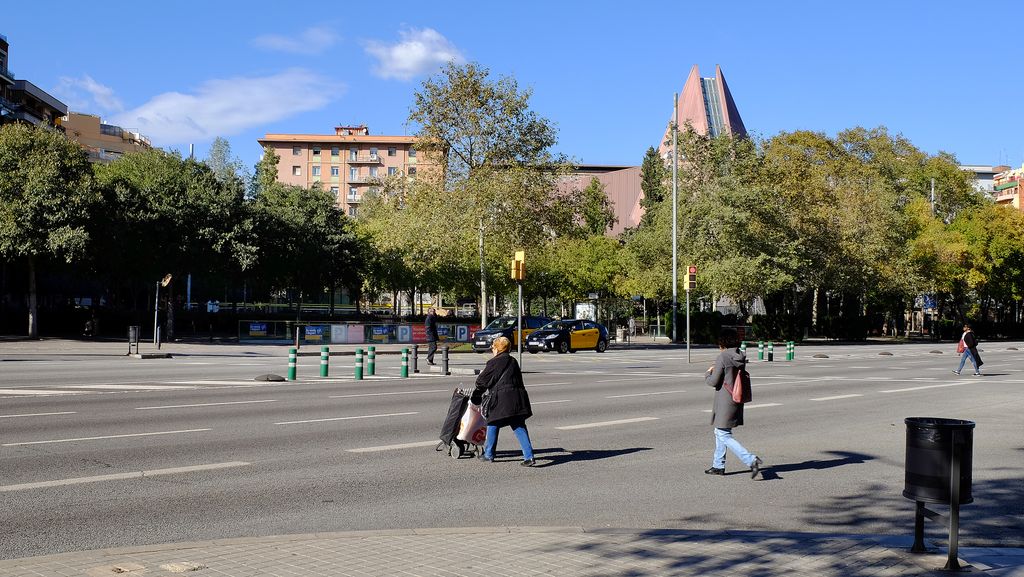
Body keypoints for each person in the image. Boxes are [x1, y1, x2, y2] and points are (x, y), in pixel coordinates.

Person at [705, 327, 763, 479]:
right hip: (736, 398)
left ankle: (750, 459)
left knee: (722, 433)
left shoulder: (723, 357)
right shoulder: (739, 355)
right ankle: (718, 465)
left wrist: (708, 372)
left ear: (722, 342)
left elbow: (713, 381)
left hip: (724, 401)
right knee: (721, 432)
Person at [472, 336, 536, 466]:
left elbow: (481, 381)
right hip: (517, 398)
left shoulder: (493, 362)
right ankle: (529, 456)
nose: (492, 350)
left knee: (493, 422)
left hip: (501, 399)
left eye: (493, 348)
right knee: (518, 425)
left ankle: (489, 454)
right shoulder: (513, 361)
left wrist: (477, 393)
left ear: (497, 348)